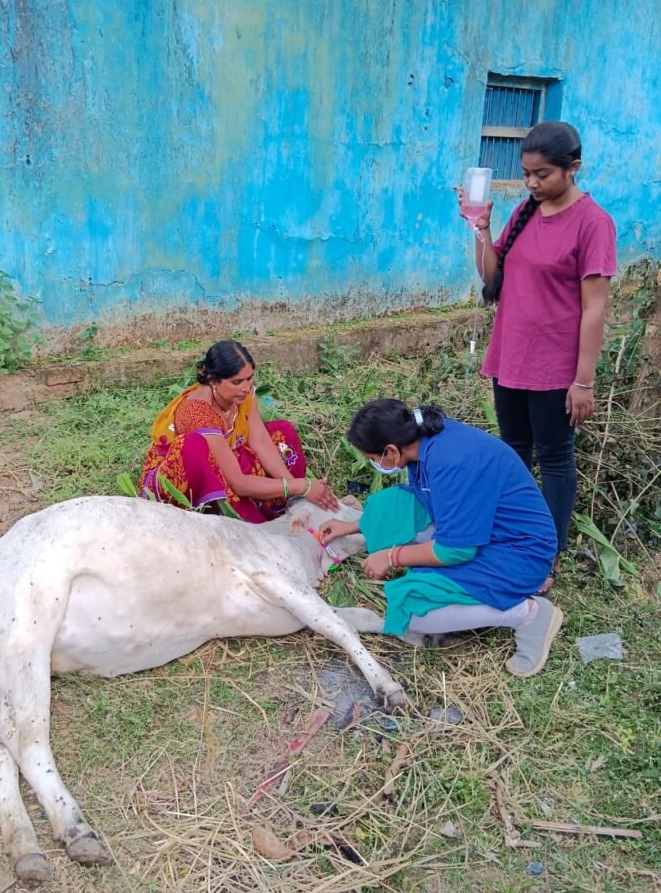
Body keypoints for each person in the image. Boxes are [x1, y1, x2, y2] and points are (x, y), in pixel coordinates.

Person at [462, 121, 617, 589]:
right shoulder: (526, 212)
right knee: (513, 453)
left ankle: (546, 553)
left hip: (555, 367)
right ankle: (513, 536)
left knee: (554, 458)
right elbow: (493, 277)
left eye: (542, 174)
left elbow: (595, 309)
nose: (531, 184)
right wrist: (482, 230)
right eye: (527, 174)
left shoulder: (593, 223)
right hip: (510, 356)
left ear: (574, 168)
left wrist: (583, 380)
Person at [319, 399, 562, 678]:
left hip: (518, 552)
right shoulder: (422, 440)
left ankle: (528, 613)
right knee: (391, 504)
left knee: (415, 611)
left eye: (373, 460)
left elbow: (457, 551)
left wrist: (391, 556)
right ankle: (441, 578)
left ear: (390, 450)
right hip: (488, 530)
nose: (375, 464)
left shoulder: (452, 463)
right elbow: (427, 503)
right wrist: (351, 526)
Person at [139, 339, 339, 522]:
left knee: (282, 433)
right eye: (236, 382)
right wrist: (301, 486)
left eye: (249, 378)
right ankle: (232, 515)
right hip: (190, 475)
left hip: (226, 460)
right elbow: (238, 483)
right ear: (213, 379)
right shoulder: (197, 411)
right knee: (195, 447)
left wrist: (294, 486)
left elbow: (259, 441)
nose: (245, 387)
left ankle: (282, 503)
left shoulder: (243, 395)